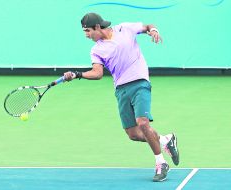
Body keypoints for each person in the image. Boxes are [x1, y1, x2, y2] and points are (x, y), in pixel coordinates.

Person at [63, 12, 179, 182]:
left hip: (140, 82)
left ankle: (161, 163)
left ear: (97, 27)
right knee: (133, 134)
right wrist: (77, 74)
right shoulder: (96, 49)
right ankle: (166, 140)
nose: (86, 35)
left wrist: (153, 30)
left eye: (87, 31)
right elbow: (97, 73)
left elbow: (147, 26)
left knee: (143, 123)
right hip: (121, 89)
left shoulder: (124, 29)